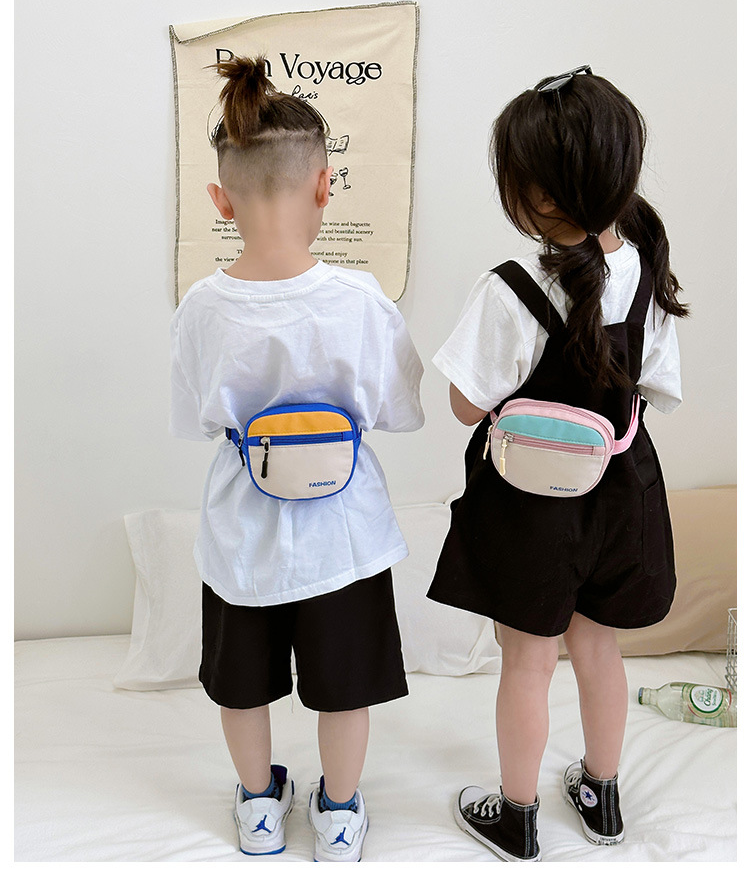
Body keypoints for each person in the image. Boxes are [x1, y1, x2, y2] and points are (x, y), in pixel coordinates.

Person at [427, 66, 686, 861]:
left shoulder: (512, 289)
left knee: (529, 661)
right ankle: (602, 797)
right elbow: (658, 389)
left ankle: (517, 817)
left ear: (536, 197)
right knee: (599, 650)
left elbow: (465, 406)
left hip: (532, 507)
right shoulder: (646, 272)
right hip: (621, 493)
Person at [169, 56, 424, 862]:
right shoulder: (362, 300)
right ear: (324, 187)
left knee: (242, 684)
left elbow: (195, 419)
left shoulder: (201, 307)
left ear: (220, 200)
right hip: (342, 535)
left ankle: (257, 807)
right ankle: (340, 815)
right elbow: (399, 410)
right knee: (345, 686)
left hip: (241, 534)